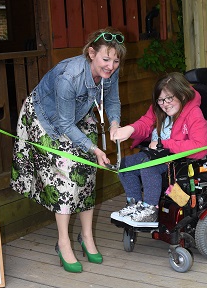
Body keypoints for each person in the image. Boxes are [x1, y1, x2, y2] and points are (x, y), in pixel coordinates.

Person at [10, 27, 126, 273]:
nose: (111, 66)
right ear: (91, 53)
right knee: (65, 176)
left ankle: (86, 237)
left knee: (87, 173)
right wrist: (94, 148)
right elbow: (64, 124)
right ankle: (63, 242)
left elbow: (112, 100)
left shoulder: (110, 71)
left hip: (78, 112)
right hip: (48, 119)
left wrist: (114, 124)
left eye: (116, 61)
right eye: (106, 59)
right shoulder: (69, 76)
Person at [113, 72, 207, 223]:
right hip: (155, 155)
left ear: (183, 95)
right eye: (160, 100)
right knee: (124, 165)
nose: (165, 104)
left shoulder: (194, 113)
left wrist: (163, 145)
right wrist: (130, 129)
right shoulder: (159, 110)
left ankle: (151, 210)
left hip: (177, 161)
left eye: (169, 98)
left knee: (148, 166)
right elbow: (145, 123)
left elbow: (201, 147)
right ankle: (135, 204)